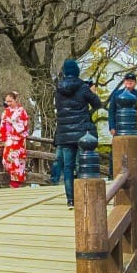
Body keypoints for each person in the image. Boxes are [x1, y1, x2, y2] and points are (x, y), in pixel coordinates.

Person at [54, 59, 103, 208]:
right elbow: (97, 104)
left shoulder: (58, 90)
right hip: (82, 132)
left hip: (64, 133)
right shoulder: (83, 87)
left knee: (67, 167)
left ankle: (70, 200)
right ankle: (84, 197)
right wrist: (92, 93)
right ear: (76, 72)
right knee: (82, 164)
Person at [0, 91, 30, 188]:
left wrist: (12, 122)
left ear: (16, 100)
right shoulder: (5, 112)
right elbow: (2, 125)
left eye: (10, 101)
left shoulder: (21, 111)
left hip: (18, 139)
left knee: (17, 160)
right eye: (7, 101)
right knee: (6, 159)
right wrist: (1, 138)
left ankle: (15, 182)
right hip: (9, 139)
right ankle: (13, 180)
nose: (8, 103)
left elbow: (24, 125)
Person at [107, 71, 137, 137]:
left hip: (134, 128)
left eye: (132, 81)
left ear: (135, 83)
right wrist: (112, 127)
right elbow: (111, 111)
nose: (129, 82)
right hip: (119, 127)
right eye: (127, 80)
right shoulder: (117, 94)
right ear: (124, 81)